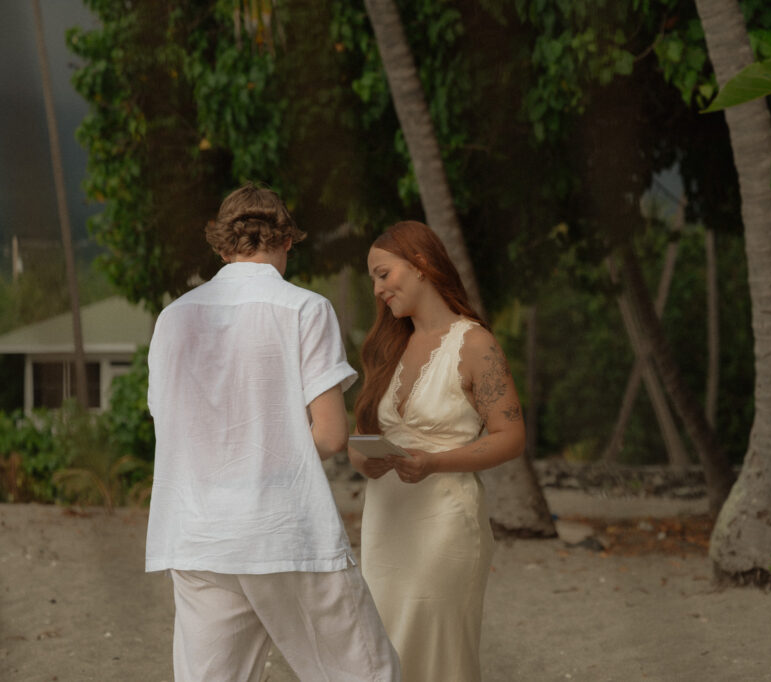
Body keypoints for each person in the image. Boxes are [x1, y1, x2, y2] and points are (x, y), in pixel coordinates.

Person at [145, 183, 400, 682]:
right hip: (282, 529)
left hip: (195, 531)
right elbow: (329, 435)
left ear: (221, 247)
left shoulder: (171, 319)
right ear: (286, 241)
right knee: (363, 673)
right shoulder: (304, 308)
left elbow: (172, 428)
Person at [350, 220, 525, 682]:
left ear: (422, 264)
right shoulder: (387, 348)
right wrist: (365, 458)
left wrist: (434, 462)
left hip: (445, 524)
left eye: (383, 273)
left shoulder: (476, 344)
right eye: (372, 278)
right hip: (384, 526)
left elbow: (510, 436)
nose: (378, 288)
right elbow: (358, 441)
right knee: (382, 651)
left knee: (435, 656)